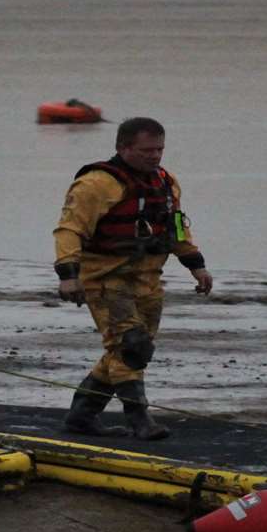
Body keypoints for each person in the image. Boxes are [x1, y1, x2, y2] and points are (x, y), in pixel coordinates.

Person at [52, 116, 213, 440]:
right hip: (106, 277)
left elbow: (177, 226)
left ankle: (81, 417)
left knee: (129, 351)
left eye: (159, 149)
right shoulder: (96, 184)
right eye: (146, 150)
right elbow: (69, 229)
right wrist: (68, 275)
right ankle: (140, 421)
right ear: (123, 147)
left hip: (148, 278)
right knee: (131, 347)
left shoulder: (166, 182)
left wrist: (195, 264)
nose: (154, 156)